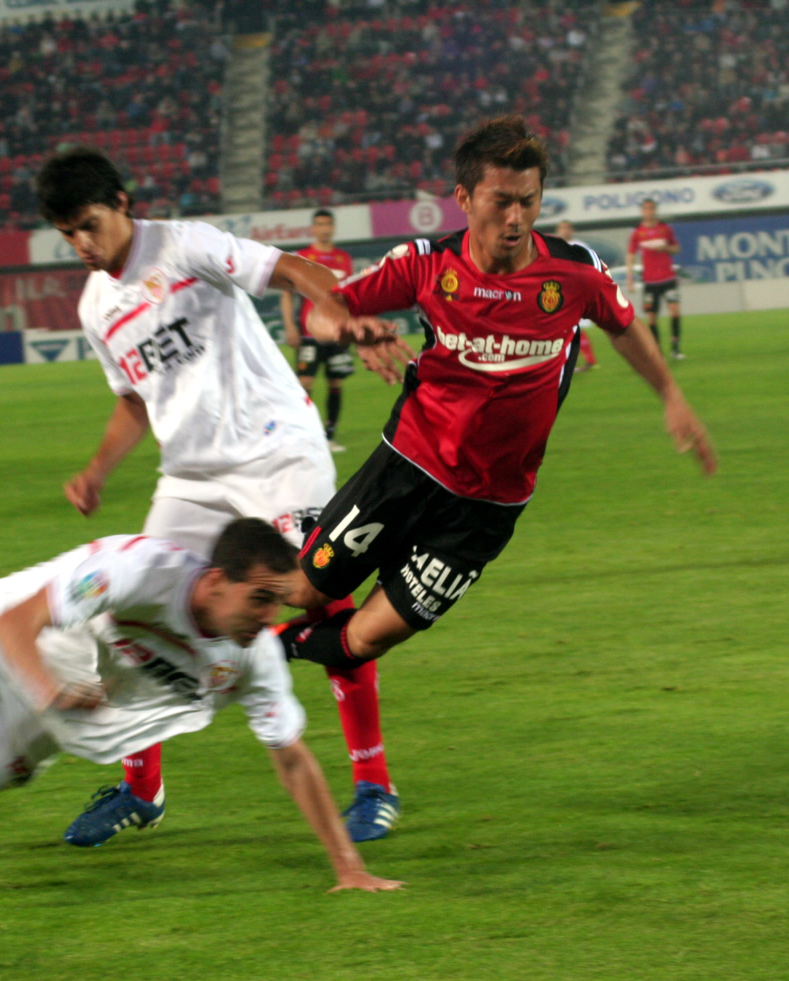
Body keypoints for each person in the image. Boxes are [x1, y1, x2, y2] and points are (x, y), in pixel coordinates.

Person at [39, 149, 411, 844]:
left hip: (277, 450)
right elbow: (134, 400)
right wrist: (96, 471)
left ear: (121, 203)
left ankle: (373, 783)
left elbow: (294, 269)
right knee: (133, 610)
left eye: (89, 225)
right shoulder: (95, 305)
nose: (83, 244)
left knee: (317, 594)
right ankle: (141, 789)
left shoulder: (185, 246)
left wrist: (341, 316)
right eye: (68, 235)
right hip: (191, 476)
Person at [0, 519, 403, 911]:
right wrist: (47, 692)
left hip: (51, 711)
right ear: (214, 582)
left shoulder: (250, 658)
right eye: (260, 599)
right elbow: (18, 621)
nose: (269, 618)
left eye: (277, 602)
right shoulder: (139, 568)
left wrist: (347, 867)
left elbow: (292, 758)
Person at [279, 115, 717, 679]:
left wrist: (670, 395)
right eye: (501, 201)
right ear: (464, 197)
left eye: (528, 202)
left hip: (489, 505)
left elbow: (624, 324)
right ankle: (235, 589)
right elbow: (324, 311)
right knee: (303, 589)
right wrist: (347, 328)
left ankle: (268, 651)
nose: (515, 218)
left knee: (366, 638)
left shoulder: (574, 272)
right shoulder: (426, 263)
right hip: (408, 465)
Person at [281, 208, 355, 451]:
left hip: (337, 333)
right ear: (313, 228)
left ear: (333, 227)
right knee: (305, 384)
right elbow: (287, 294)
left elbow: (351, 295)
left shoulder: (343, 259)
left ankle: (329, 436)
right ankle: (305, 435)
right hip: (309, 333)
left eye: (328, 224)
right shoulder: (302, 257)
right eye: (320, 224)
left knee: (336, 384)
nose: (324, 229)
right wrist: (290, 326)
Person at [625, 198, 684, 359]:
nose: (649, 211)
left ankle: (676, 347)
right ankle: (658, 352)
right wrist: (630, 278)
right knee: (651, 318)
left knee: (675, 311)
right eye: (646, 209)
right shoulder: (637, 232)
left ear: (655, 210)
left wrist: (665, 248)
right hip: (650, 281)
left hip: (668, 278)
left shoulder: (665, 229)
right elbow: (630, 255)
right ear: (642, 211)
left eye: (651, 208)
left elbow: (676, 248)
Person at [553, 220, 600, 372]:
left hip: (575, 291)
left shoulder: (579, 246)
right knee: (566, 326)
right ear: (558, 230)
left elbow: (590, 267)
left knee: (570, 326)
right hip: (560, 291)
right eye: (562, 228)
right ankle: (586, 360)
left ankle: (571, 361)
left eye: (567, 228)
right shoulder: (553, 247)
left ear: (571, 230)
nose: (564, 231)